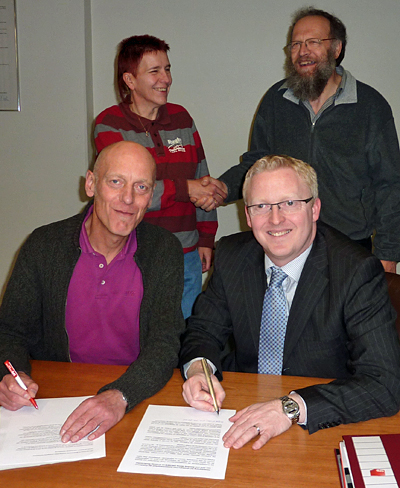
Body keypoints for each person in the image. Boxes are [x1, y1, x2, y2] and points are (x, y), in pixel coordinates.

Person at [180, 154, 400, 450]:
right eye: (262, 206)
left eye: (290, 203)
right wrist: (198, 368)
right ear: (248, 216)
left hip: (319, 423)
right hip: (240, 413)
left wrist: (290, 407)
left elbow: (384, 383)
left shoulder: (355, 271)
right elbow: (203, 330)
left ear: (314, 209)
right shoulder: (232, 255)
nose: (275, 219)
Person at [0, 141, 185, 444]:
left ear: (151, 196)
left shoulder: (164, 250)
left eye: (141, 187)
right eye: (116, 182)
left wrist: (121, 394)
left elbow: (165, 344)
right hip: (53, 400)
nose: (128, 198)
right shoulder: (43, 246)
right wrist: (12, 376)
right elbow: (10, 331)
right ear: (90, 184)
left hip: (136, 394)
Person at [195, 7, 400, 273]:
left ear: (336, 48)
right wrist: (222, 187)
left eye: (313, 42)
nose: (303, 51)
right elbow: (257, 164)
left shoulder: (370, 106)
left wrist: (388, 254)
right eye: (295, 44)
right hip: (286, 244)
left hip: (349, 247)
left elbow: (390, 185)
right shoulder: (276, 100)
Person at [94, 35, 226, 318]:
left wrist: (206, 237)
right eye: (154, 71)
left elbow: (202, 178)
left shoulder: (182, 118)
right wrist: (185, 189)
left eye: (167, 69)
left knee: (184, 334)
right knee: (136, 333)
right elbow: (125, 194)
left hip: (186, 254)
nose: (166, 79)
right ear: (130, 80)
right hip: (135, 253)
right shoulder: (109, 124)